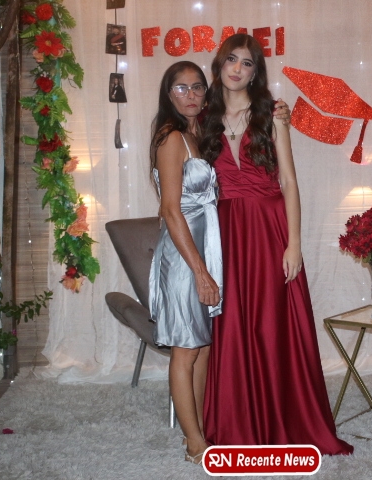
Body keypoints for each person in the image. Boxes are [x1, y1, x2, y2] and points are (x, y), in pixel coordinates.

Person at [200, 34, 354, 456]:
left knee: (272, 325)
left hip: (270, 231)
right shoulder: (204, 119)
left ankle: (283, 419)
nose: (237, 69)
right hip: (226, 233)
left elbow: (288, 181)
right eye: (231, 60)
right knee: (232, 324)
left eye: (247, 63)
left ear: (256, 72)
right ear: (219, 64)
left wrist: (294, 243)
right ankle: (237, 423)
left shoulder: (272, 114)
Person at [147, 61, 221, 464]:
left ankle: (199, 431)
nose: (190, 95)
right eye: (181, 88)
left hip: (203, 251)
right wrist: (200, 272)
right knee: (186, 350)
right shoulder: (171, 137)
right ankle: (194, 443)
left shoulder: (197, 135)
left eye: (196, 87)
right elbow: (171, 211)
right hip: (183, 258)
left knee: (202, 346)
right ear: (168, 94)